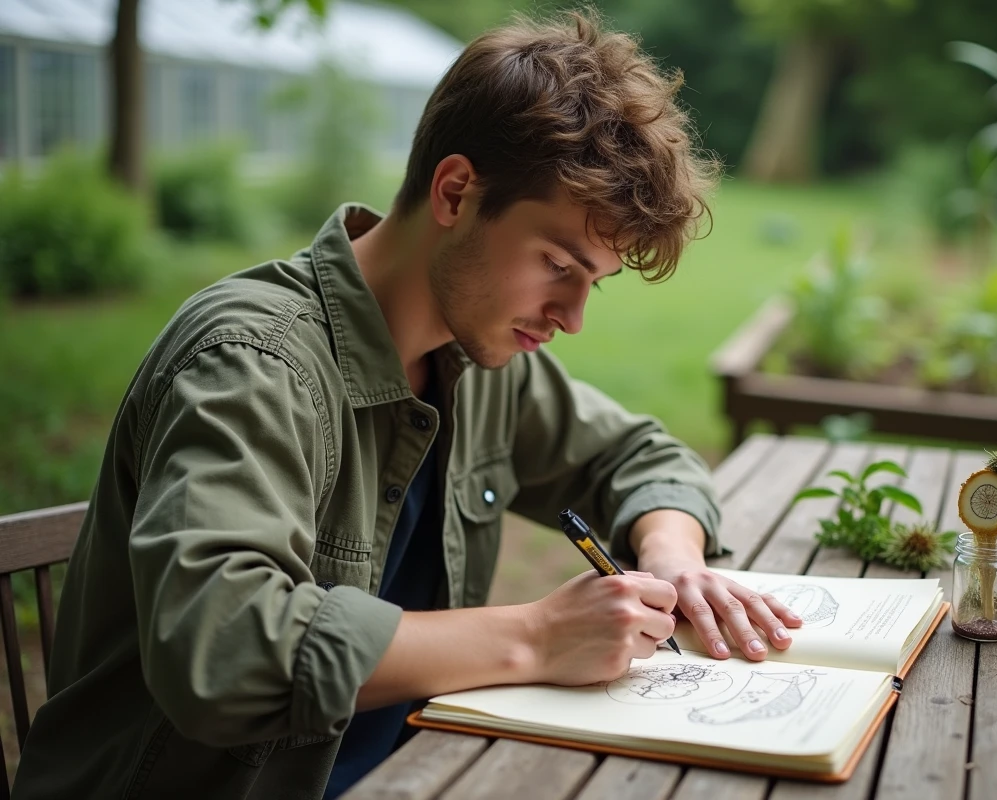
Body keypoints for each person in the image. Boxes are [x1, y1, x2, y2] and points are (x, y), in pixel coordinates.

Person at [11, 10, 803, 800]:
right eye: (557, 263)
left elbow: (635, 454)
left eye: (592, 280)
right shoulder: (252, 365)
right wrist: (534, 636)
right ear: (456, 191)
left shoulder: (479, 358)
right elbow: (224, 651)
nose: (572, 317)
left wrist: (673, 556)